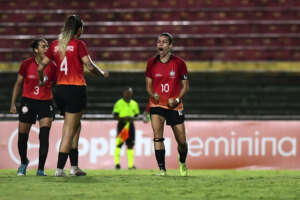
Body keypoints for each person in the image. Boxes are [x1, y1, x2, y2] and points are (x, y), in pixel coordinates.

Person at [37, 14, 109, 176]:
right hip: (75, 89)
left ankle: (74, 167)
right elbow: (90, 66)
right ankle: (59, 169)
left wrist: (42, 81)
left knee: (76, 126)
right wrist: (102, 73)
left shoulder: (55, 45)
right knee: (69, 129)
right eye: (82, 28)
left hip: (60, 90)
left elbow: (40, 67)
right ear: (78, 29)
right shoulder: (78, 44)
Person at [10, 38, 56, 176]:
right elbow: (18, 84)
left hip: (45, 102)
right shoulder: (26, 64)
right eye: (43, 46)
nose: (46, 48)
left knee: (44, 136)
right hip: (28, 102)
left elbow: (58, 85)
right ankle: (24, 162)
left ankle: (41, 169)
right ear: (35, 49)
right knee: (22, 137)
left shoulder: (52, 66)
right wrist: (13, 103)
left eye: (47, 46)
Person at [145, 32, 189, 176]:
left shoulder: (179, 63)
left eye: (164, 42)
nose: (160, 44)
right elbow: (148, 87)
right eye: (158, 42)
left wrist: (176, 99)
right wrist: (153, 95)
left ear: (170, 46)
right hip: (157, 105)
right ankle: (162, 169)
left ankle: (182, 161)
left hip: (174, 106)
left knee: (182, 142)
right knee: (158, 136)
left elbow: (185, 87)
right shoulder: (151, 63)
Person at [112, 87, 140, 169]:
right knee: (119, 144)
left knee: (130, 144)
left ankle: (130, 165)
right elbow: (115, 116)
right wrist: (124, 118)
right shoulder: (119, 103)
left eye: (130, 93)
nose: (128, 94)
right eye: (127, 93)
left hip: (130, 125)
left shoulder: (134, 104)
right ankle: (117, 164)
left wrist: (132, 119)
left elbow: (136, 115)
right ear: (123, 93)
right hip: (122, 125)